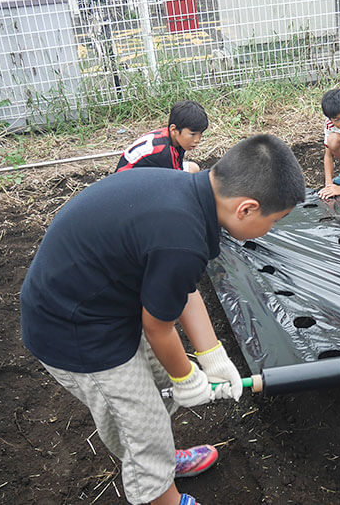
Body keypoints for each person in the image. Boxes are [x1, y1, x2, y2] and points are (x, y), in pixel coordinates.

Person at [21, 135, 306, 505]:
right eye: (276, 219)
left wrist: (212, 356)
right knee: (142, 422)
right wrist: (187, 378)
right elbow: (158, 327)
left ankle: (161, 459)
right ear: (247, 209)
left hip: (101, 303)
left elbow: (183, 289)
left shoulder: (186, 192)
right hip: (73, 330)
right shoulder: (181, 236)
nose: (273, 228)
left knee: (159, 386)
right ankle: (161, 493)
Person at [116, 100, 208, 173]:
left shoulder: (175, 138)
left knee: (193, 168)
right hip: (128, 184)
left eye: (200, 134)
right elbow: (175, 182)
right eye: (192, 134)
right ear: (173, 129)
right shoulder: (164, 152)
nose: (197, 140)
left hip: (144, 174)